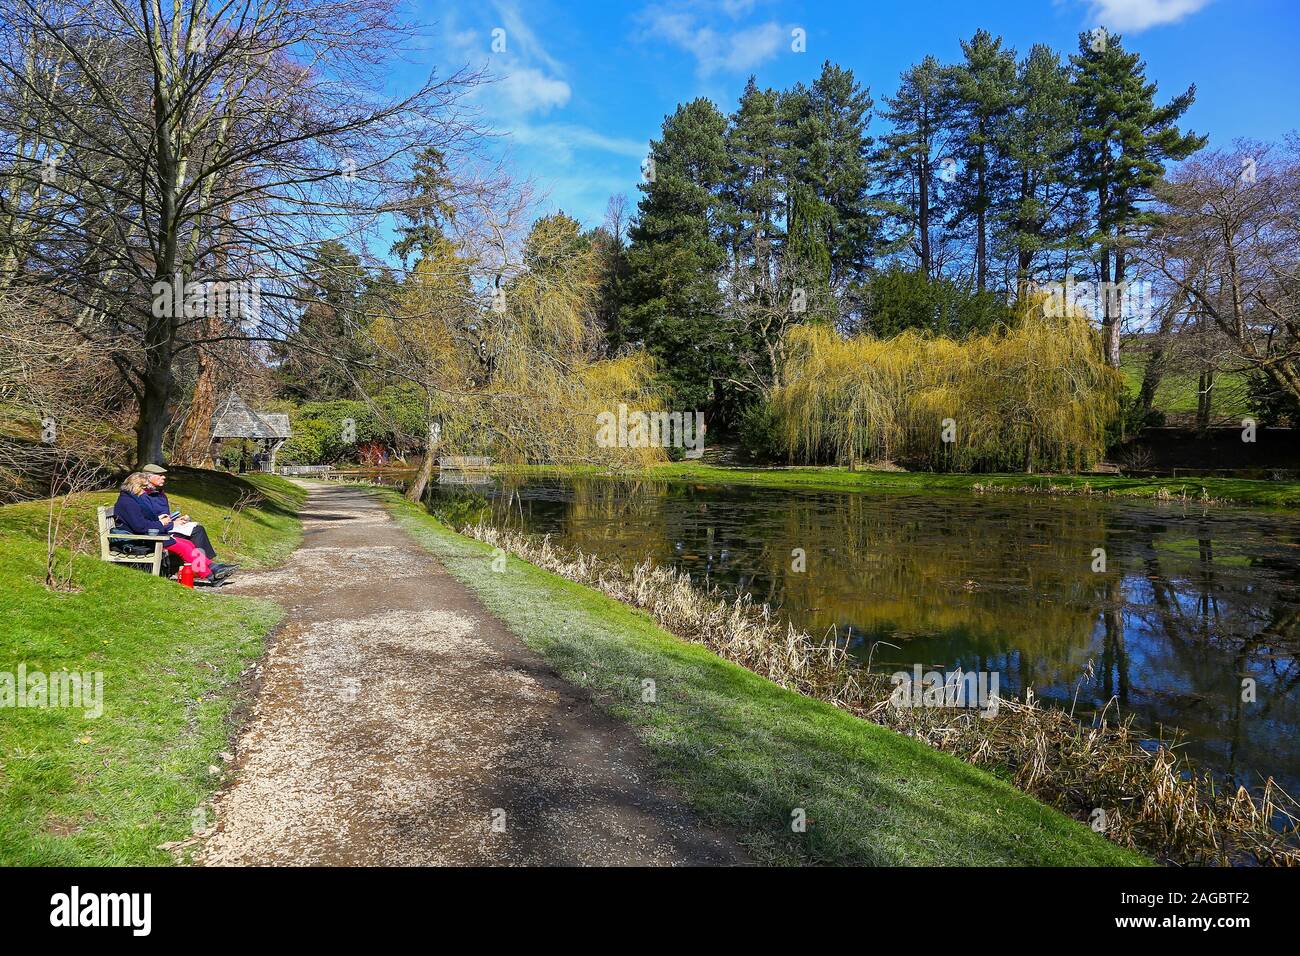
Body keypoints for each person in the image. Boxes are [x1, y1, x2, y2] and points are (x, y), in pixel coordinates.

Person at [113, 471, 230, 585]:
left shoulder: (131, 499)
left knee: (187, 544)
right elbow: (140, 527)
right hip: (138, 540)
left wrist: (159, 519)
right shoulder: (127, 503)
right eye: (143, 487)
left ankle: (212, 567)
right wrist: (161, 523)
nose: (145, 491)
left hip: (146, 535)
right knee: (183, 547)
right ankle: (210, 576)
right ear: (136, 487)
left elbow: (142, 521)